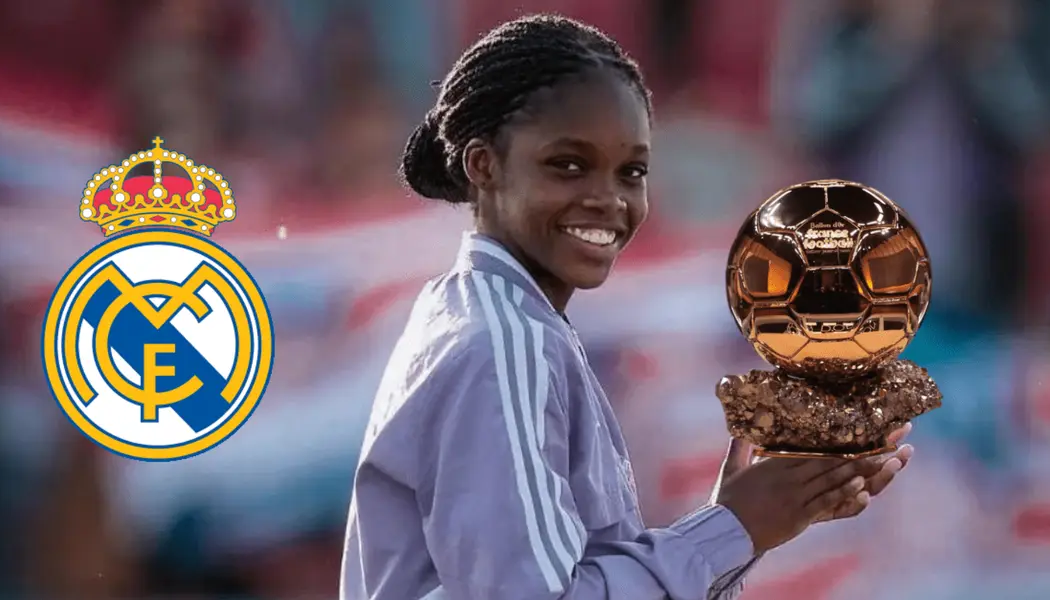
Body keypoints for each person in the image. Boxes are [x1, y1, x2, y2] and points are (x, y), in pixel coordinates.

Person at [339, 14, 914, 600]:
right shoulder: (503, 344)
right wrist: (732, 528)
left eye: (630, 172)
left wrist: (744, 525)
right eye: (568, 165)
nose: (606, 200)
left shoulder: (494, 317)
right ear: (483, 165)